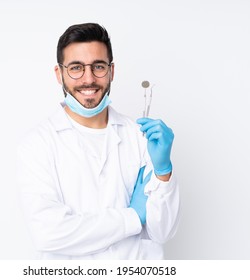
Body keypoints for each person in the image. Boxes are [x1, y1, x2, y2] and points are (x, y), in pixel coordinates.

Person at [17, 23, 180, 259]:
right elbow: (48, 233)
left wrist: (164, 173)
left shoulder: (140, 137)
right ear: (59, 74)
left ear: (111, 71)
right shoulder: (37, 145)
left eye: (98, 67)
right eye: (76, 68)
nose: (89, 79)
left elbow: (162, 232)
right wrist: (133, 217)